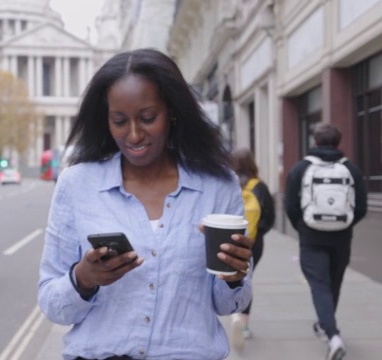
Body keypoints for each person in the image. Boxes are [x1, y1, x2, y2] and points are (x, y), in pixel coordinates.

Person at [38, 48, 254, 359]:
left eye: (148, 118)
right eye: (119, 121)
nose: (134, 134)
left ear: (173, 112)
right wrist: (84, 278)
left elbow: (227, 304)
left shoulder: (218, 186)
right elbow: (51, 302)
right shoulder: (76, 184)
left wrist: (235, 277)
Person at [285, 123, 367, 360]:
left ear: (315, 141)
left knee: (320, 285)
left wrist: (302, 227)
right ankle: (325, 326)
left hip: (311, 237)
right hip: (341, 237)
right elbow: (360, 206)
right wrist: (346, 224)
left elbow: (291, 204)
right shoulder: (351, 169)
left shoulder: (300, 168)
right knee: (333, 284)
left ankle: (332, 335)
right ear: (338, 142)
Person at [230, 148, 275, 350]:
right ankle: (244, 323)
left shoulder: (228, 185)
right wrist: (256, 234)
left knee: (229, 274)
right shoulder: (260, 187)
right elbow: (269, 217)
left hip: (228, 239)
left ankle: (231, 309)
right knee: (247, 276)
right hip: (253, 243)